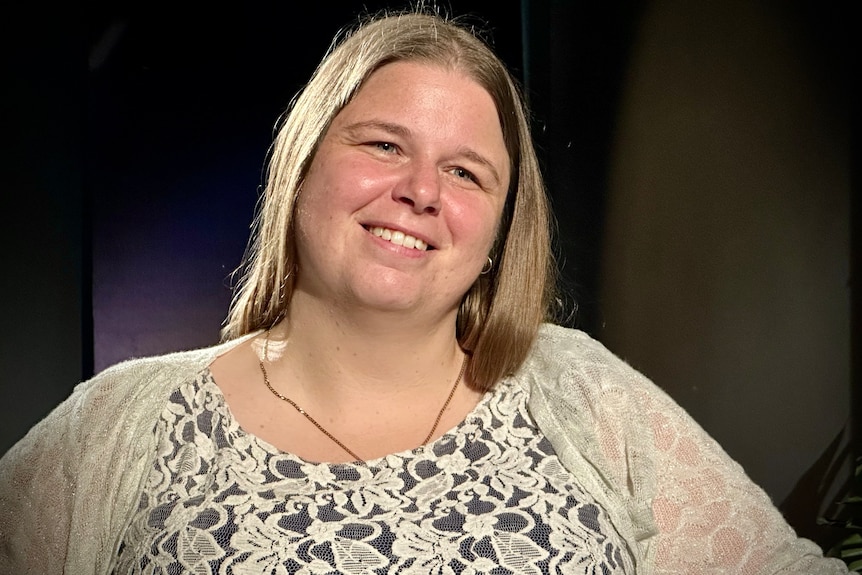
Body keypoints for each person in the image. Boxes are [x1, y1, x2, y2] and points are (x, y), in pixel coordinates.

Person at [0, 6, 852, 575]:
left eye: (467, 172)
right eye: (382, 145)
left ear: (498, 230)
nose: (421, 191)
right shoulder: (121, 424)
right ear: (302, 166)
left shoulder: (580, 391)